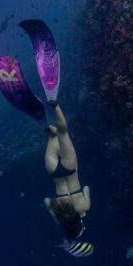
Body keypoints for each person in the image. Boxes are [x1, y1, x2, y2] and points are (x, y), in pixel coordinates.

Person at [43, 102, 90, 239]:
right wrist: (56, 216)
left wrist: (81, 210)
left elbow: (86, 188)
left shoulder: (84, 207)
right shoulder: (59, 218)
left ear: (80, 224)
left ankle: (55, 105)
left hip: (70, 169)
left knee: (62, 133)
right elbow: (46, 200)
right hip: (54, 173)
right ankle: (46, 126)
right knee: (52, 136)